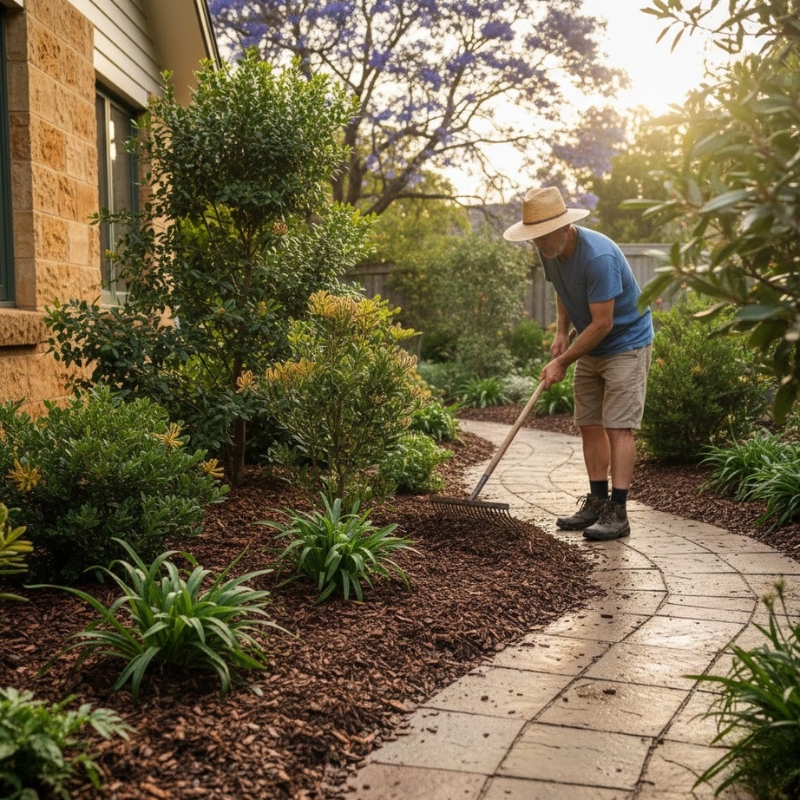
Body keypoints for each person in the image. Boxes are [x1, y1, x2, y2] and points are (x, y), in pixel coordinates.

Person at [503, 186, 653, 541]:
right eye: (533, 237)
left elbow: (604, 323)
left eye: (542, 235)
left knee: (618, 427)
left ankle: (618, 511)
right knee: (589, 423)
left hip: (625, 343)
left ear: (564, 226)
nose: (538, 244)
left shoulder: (598, 257)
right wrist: (561, 331)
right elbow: (561, 288)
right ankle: (597, 501)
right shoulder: (549, 249)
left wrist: (563, 360)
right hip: (590, 343)